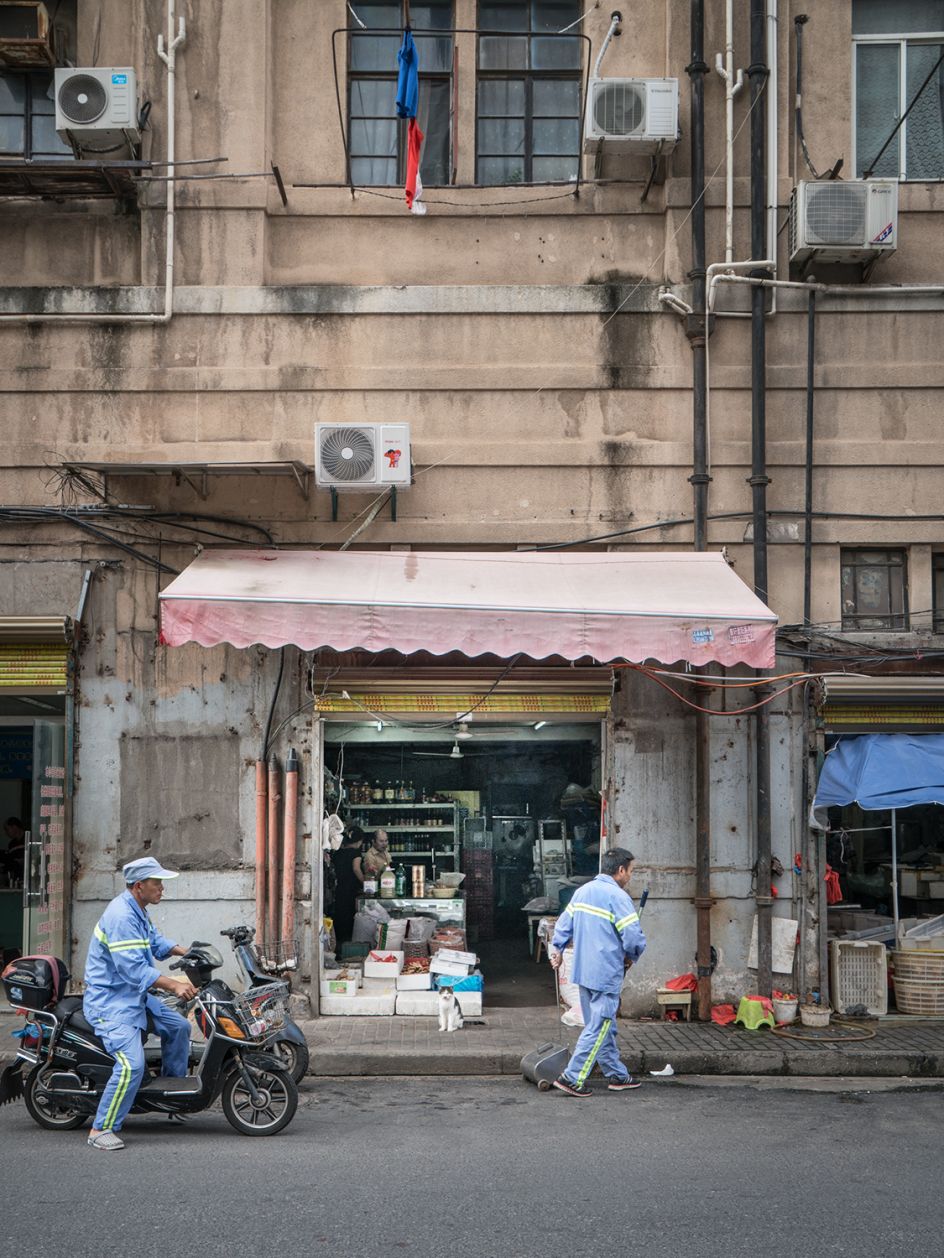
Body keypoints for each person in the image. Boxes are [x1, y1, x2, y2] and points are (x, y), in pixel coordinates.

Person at [82, 857, 197, 1151]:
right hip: (112, 1004)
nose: (162, 889)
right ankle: (101, 1127)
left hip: (135, 997)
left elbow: (155, 943)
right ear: (139, 886)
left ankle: (170, 1097)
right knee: (132, 1065)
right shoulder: (121, 916)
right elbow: (133, 970)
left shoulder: (138, 910)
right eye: (157, 883)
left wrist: (188, 952)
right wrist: (175, 984)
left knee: (180, 1027)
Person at [548, 846, 646, 1097]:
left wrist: (557, 948)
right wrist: (632, 956)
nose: (631, 876)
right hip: (605, 972)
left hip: (583, 970)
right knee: (599, 1026)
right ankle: (572, 1078)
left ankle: (617, 1075)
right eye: (631, 871)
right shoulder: (619, 897)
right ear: (621, 870)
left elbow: (563, 924)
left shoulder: (582, 892)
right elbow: (633, 937)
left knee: (602, 1025)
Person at [331, 826, 366, 944]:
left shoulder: (338, 852)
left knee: (341, 916)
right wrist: (365, 884)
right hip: (351, 889)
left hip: (339, 888)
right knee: (350, 916)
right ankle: (349, 944)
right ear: (360, 841)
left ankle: (339, 944)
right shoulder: (356, 853)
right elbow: (356, 869)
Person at [0, 817, 26, 884]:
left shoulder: (29, 839)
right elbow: (11, 861)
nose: (6, 833)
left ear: (14, 827)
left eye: (7, 829)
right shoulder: (12, 844)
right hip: (17, 879)